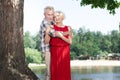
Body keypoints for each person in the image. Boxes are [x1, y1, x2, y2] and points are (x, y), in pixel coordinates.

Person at [46, 11, 73, 80]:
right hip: (55, 51)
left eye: (57, 16)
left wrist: (61, 36)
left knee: (64, 70)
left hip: (65, 51)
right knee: (56, 70)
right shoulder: (51, 27)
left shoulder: (68, 28)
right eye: (54, 17)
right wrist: (46, 33)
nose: (56, 18)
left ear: (62, 17)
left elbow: (70, 42)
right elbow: (46, 41)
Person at [39, 6, 54, 80]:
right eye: (48, 14)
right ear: (44, 14)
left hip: (52, 48)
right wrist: (66, 32)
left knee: (53, 69)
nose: (50, 16)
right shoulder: (45, 22)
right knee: (49, 70)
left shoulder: (52, 23)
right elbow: (53, 33)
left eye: (52, 14)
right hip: (47, 49)